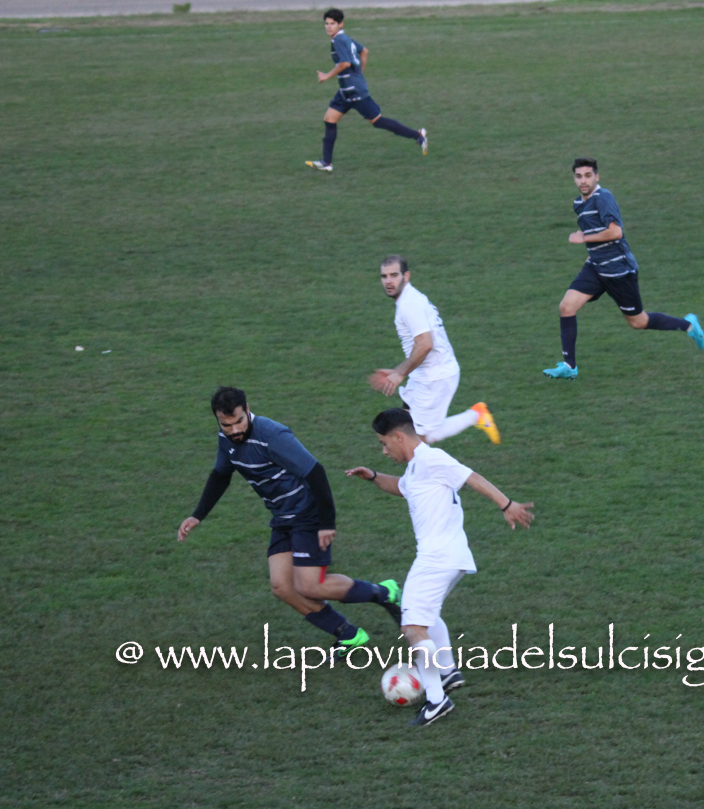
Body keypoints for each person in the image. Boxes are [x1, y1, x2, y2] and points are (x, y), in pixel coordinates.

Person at [346, 408, 534, 726]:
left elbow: (471, 477)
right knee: (426, 616)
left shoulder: (432, 459)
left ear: (398, 437)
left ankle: (436, 700)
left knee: (412, 627)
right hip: (449, 557)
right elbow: (403, 487)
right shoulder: (417, 468)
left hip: (437, 559)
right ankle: (446, 672)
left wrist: (506, 504)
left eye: (384, 443)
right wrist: (374, 477)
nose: (384, 451)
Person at [177, 387, 400, 654]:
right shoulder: (226, 439)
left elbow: (315, 472)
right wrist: (198, 515)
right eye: (226, 425)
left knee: (311, 585)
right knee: (282, 587)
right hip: (282, 517)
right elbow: (221, 474)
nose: (234, 430)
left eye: (239, 422)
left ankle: (385, 593)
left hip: (307, 513)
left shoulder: (272, 435)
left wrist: (326, 523)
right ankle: (348, 634)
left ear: (247, 409)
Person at [542, 158, 704, 380]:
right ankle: (569, 367)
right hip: (596, 267)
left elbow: (615, 232)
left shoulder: (603, 198)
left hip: (619, 271)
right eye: (579, 176)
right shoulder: (579, 203)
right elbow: (596, 234)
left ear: (597, 176)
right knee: (566, 306)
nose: (583, 181)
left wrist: (584, 238)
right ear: (574, 179)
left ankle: (688, 325)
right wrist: (591, 254)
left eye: (588, 176)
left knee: (638, 322)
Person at [370, 255, 500, 446]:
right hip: (425, 375)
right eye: (384, 276)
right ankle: (476, 415)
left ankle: (475, 415)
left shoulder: (408, 304)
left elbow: (425, 344)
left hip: (435, 378)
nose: (388, 281)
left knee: (416, 442)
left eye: (394, 275)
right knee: (408, 431)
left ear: (406, 276)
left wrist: (400, 374)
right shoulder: (410, 298)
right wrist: (398, 371)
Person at [306, 8, 427, 172]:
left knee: (378, 121)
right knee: (329, 119)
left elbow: (345, 63)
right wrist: (359, 74)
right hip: (345, 91)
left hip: (355, 92)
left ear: (341, 24)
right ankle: (327, 163)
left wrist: (327, 75)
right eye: (326, 24)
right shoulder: (345, 38)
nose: (328, 27)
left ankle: (418, 136)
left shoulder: (338, 40)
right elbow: (364, 51)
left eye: (332, 24)